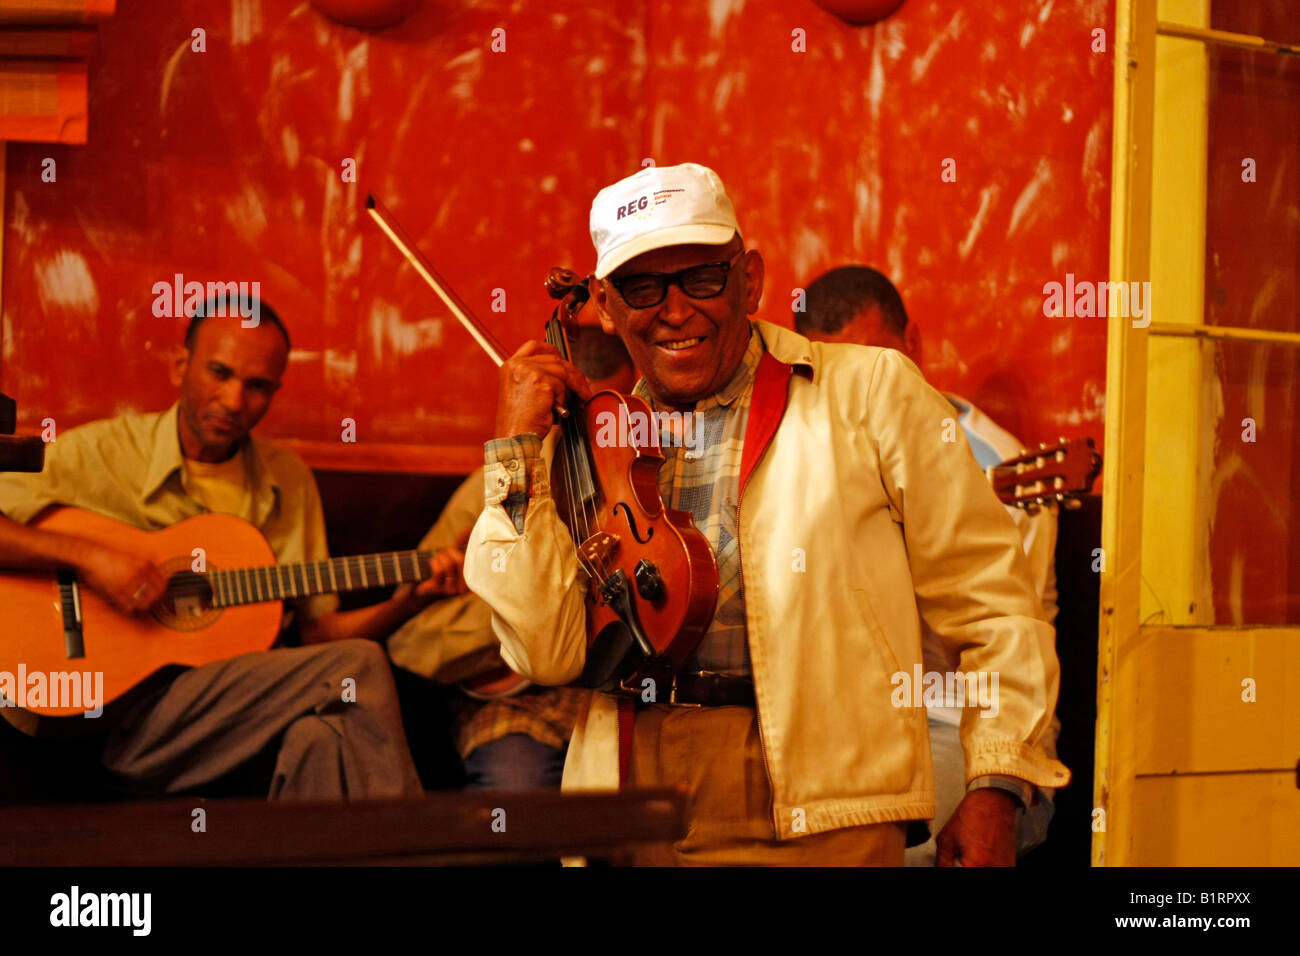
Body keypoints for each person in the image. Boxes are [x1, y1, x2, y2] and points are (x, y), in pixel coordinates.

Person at [463, 162, 1070, 865]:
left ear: (749, 279)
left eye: (702, 277)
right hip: (628, 796)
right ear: (603, 304)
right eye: (642, 287)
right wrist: (513, 455)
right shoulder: (590, 444)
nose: (675, 309)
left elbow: (995, 607)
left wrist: (997, 781)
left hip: (825, 798)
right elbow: (544, 651)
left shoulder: (872, 393)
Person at [0, 300, 446, 800]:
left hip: (238, 713)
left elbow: (320, 634)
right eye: (219, 372)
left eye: (258, 386)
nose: (234, 401)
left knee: (317, 739)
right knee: (358, 665)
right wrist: (90, 557)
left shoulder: (288, 480)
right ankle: (421, 848)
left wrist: (410, 602)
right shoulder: (102, 454)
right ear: (180, 365)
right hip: (124, 715)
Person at [796, 265, 1061, 865]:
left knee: (882, 849)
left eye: (877, 361)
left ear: (912, 343)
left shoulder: (995, 462)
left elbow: (996, 640)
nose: (860, 390)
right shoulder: (802, 453)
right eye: (839, 374)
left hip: (953, 714)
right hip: (847, 721)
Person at [386, 329, 637, 789]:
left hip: (615, 692)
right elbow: (412, 643)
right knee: (516, 785)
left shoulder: (640, 474)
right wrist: (543, 603)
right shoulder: (498, 484)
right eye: (584, 412)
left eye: (617, 409)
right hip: (515, 704)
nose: (600, 428)